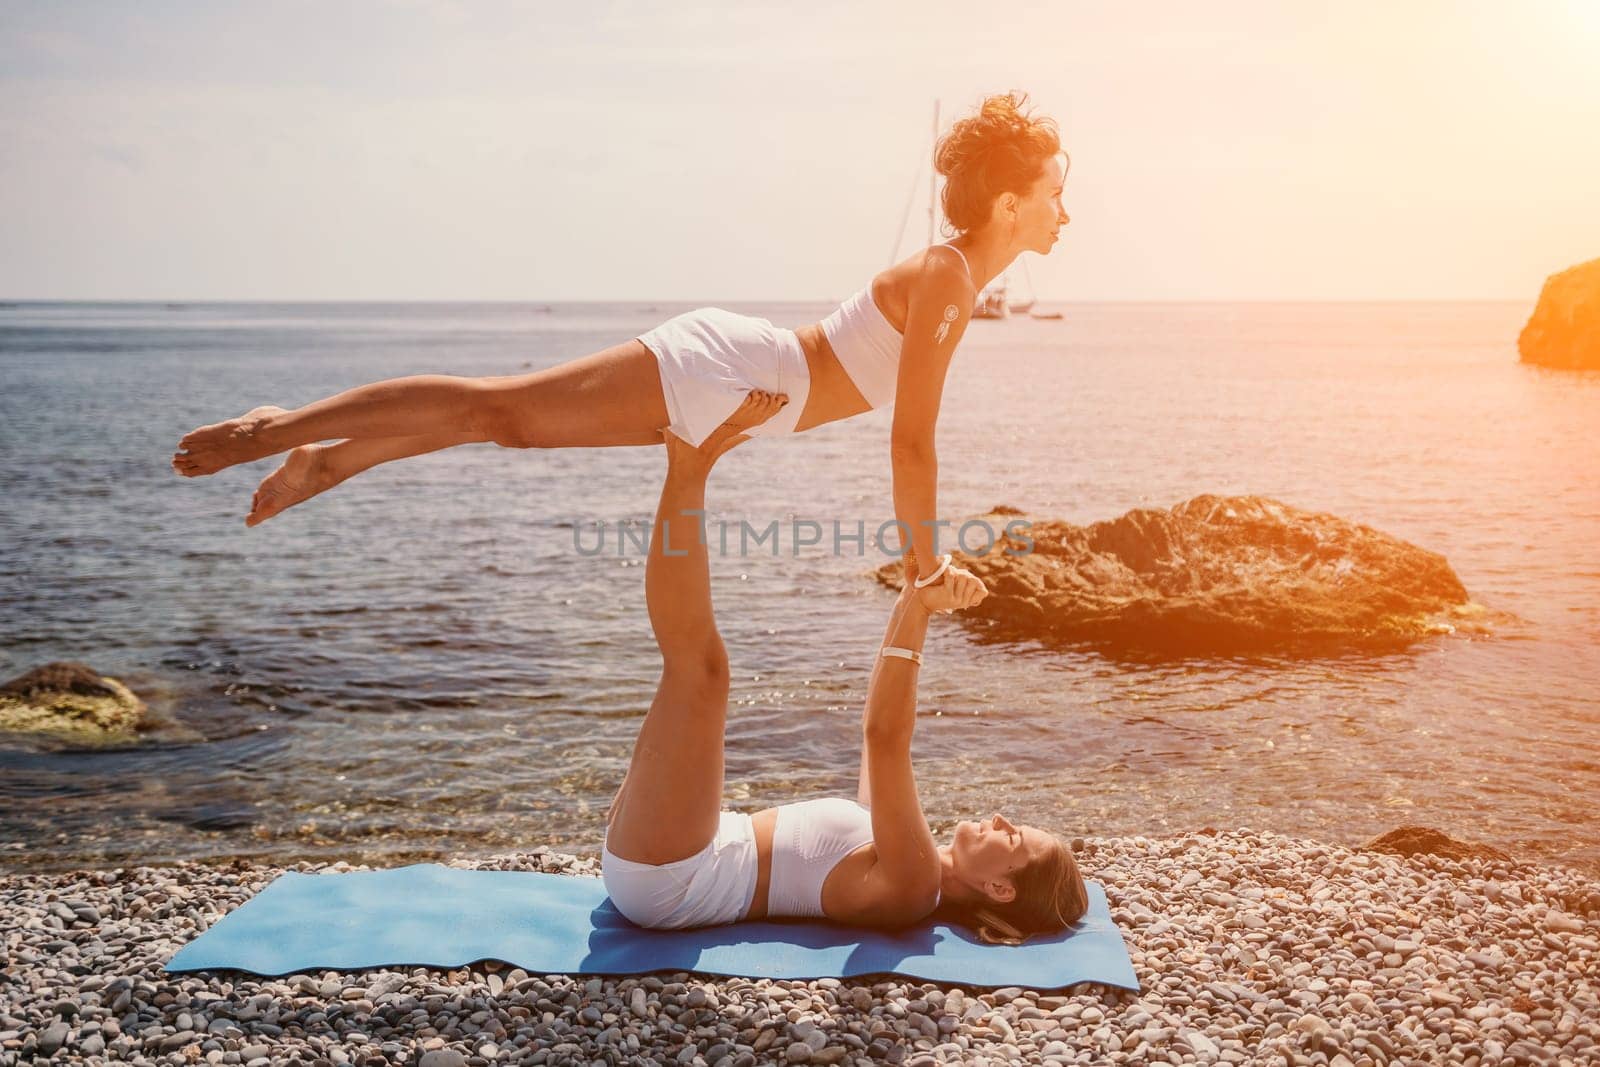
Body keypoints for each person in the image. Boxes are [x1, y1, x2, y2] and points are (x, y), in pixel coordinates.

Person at [170, 91, 1071, 588]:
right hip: (734, 372)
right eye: (1055, 191)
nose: (1065, 211)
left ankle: (330, 462)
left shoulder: (953, 277)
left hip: (747, 392)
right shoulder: (950, 278)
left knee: (504, 422)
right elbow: (911, 440)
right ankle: (280, 427)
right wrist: (927, 563)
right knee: (499, 406)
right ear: (1008, 202)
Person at [603, 390, 1088, 942]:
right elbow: (873, 736)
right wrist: (914, 594)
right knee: (698, 671)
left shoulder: (914, 885)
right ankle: (692, 460)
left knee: (702, 672)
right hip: (679, 850)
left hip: (676, 880)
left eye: (1014, 838)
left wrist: (923, 611)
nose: (1001, 818)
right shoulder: (912, 853)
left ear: (1001, 889)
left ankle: (690, 463)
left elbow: (885, 736)